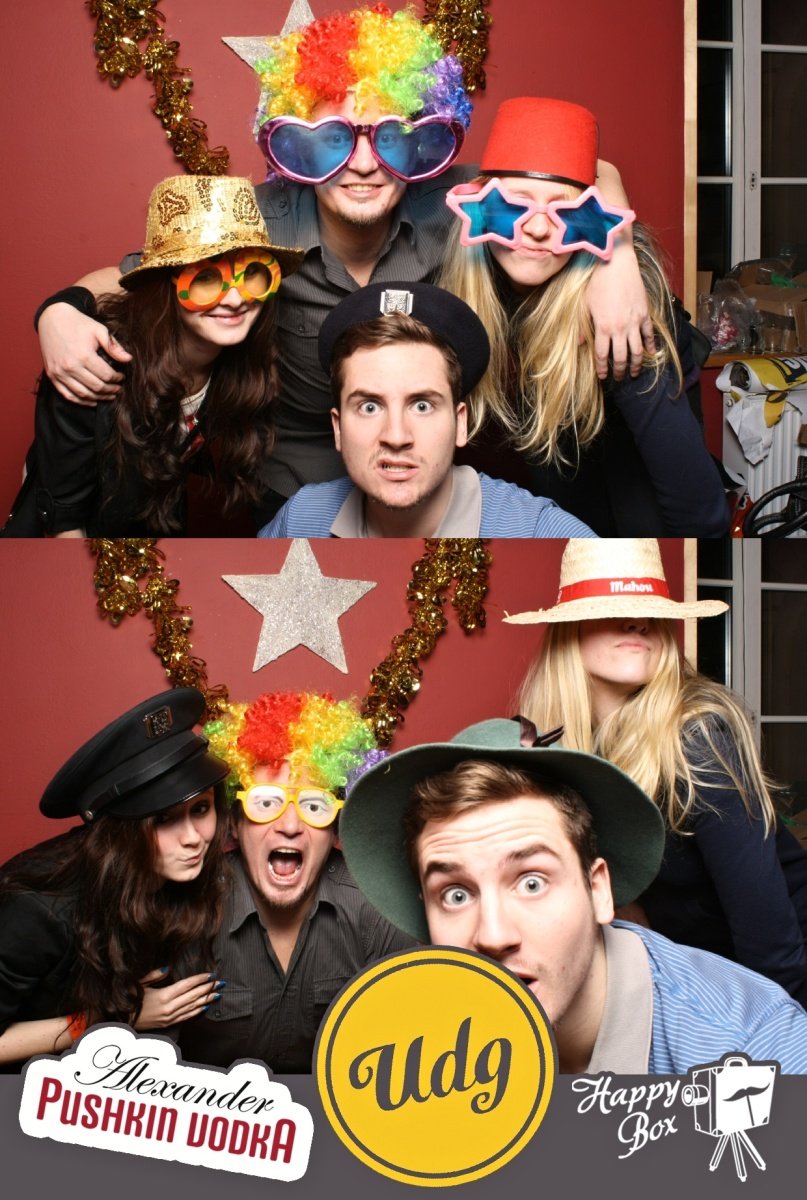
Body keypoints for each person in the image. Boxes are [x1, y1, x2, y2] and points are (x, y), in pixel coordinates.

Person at [33, 6, 652, 525]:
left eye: (390, 137)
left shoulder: (451, 201)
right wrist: (59, 311)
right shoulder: (258, 222)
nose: (362, 164)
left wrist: (619, 260)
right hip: (288, 488)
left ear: (420, 141)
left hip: (419, 477)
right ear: (297, 146)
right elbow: (141, 275)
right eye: (333, 138)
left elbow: (579, 169)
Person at [340, 718, 807, 1074]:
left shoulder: (755, 1051)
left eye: (532, 883)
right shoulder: (407, 1058)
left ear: (598, 890)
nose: (493, 936)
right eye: (456, 895)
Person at [505, 537, 807, 1009]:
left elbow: (769, 937)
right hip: (694, 974)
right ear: (569, 631)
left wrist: (780, 1036)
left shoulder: (696, 737)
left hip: (775, 975)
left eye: (649, 611)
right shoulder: (561, 749)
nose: (637, 622)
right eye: (612, 609)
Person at [439, 97, 730, 536]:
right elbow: (603, 169)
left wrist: (615, 259)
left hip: (642, 517)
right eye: (515, 205)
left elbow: (702, 515)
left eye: (564, 210)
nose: (538, 228)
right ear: (480, 205)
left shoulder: (620, 316)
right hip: (567, 502)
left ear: (589, 218)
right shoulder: (479, 275)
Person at [3, 175, 302, 537]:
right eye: (206, 279)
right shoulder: (94, 365)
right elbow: (63, 523)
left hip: (148, 541)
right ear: (166, 286)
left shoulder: (236, 362)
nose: (236, 299)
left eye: (253, 274)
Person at [176, 691, 416, 1073]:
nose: (290, 826)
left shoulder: (373, 907)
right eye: (265, 803)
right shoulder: (189, 908)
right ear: (234, 822)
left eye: (314, 806)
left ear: (336, 828)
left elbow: (415, 1038)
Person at [0, 688, 230, 1069]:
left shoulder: (177, 877)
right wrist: (111, 1019)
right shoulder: (38, 909)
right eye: (164, 819)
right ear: (122, 831)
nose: (193, 838)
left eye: (201, 809)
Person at [260, 282, 596, 537]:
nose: (396, 436)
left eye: (422, 405)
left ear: (460, 423)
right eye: (369, 406)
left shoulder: (541, 534)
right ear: (337, 428)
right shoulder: (301, 521)